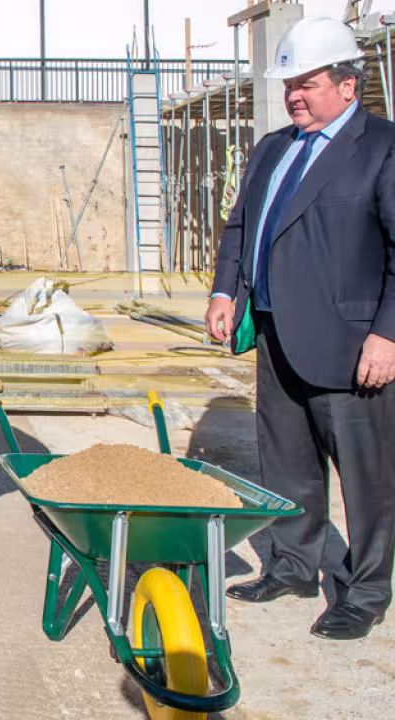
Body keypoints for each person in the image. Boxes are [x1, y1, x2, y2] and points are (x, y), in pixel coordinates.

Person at [205, 16, 395, 641]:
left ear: (347, 85)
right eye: (289, 83)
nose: (294, 95)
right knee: (286, 464)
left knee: (366, 479)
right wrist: (224, 290)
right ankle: (293, 565)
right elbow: (239, 228)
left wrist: (388, 334)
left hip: (352, 346)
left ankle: (364, 592)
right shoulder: (273, 148)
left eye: (307, 83)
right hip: (275, 334)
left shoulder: (383, 147)